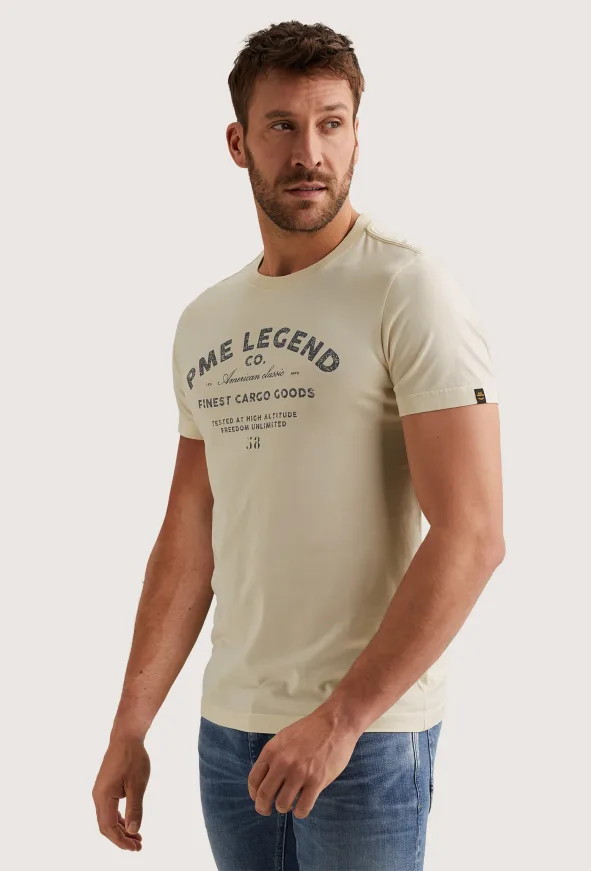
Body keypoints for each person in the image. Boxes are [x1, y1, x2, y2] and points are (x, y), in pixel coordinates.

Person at [92, 19, 505, 870]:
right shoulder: (206, 319)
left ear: (356, 135)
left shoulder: (408, 288)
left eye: (331, 123)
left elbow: (474, 534)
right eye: (282, 125)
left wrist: (342, 719)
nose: (309, 152)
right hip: (229, 733)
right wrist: (131, 722)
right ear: (239, 143)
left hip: (365, 738)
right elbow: (189, 531)